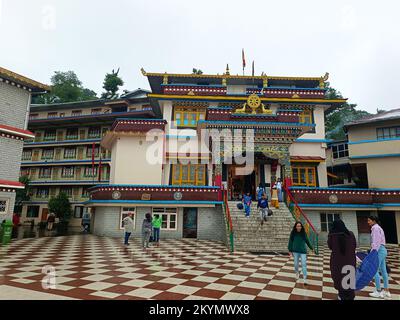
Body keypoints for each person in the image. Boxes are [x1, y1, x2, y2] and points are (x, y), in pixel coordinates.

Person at [328, 219, 357, 300]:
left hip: (338, 264)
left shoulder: (332, 236)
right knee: (349, 284)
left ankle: (341, 297)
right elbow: (354, 245)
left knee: (340, 281)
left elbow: (330, 246)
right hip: (350, 262)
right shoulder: (351, 234)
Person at [368, 216, 391, 299]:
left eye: (369, 220)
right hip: (383, 250)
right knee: (383, 270)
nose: (368, 222)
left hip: (378, 250)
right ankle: (386, 291)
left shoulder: (375, 228)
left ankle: (378, 291)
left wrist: (372, 253)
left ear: (374, 221)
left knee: (374, 270)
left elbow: (376, 242)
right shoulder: (379, 228)